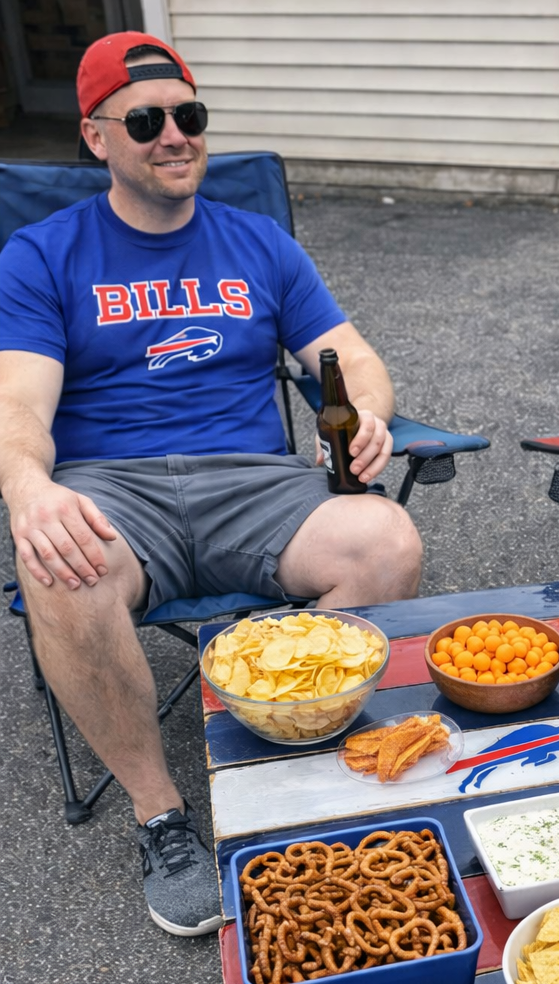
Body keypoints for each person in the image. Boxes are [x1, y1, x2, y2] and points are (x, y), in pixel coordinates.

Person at [0, 32, 423, 937]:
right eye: (144, 120)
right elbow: (20, 408)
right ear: (96, 137)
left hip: (253, 485)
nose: (173, 136)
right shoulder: (42, 254)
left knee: (386, 540)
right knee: (58, 563)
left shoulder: (258, 242)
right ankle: (164, 818)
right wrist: (30, 491)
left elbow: (347, 359)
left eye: (188, 116)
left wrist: (371, 411)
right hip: (115, 488)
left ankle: (291, 752)